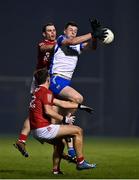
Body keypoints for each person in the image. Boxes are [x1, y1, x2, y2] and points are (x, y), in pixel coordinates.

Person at [49, 20, 107, 158]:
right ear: (64, 31)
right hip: (56, 79)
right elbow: (72, 42)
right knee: (78, 98)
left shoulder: (77, 45)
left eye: (75, 31)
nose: (73, 32)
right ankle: (66, 123)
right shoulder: (61, 39)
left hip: (64, 83)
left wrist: (95, 37)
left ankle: (66, 152)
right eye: (71, 30)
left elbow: (92, 47)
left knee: (56, 125)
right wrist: (92, 33)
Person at [29, 68, 96, 174]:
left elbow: (61, 103)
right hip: (43, 129)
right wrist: (65, 119)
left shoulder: (37, 91)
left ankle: (56, 170)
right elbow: (48, 111)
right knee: (78, 131)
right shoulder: (46, 92)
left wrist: (80, 106)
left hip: (35, 131)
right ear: (48, 79)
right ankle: (80, 162)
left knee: (60, 144)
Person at [14, 23, 57, 157]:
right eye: (49, 31)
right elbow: (47, 48)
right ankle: (54, 136)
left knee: (47, 108)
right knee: (38, 109)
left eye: (54, 30)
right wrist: (63, 43)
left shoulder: (60, 43)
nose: (52, 33)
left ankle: (22, 140)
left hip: (51, 79)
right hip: (40, 78)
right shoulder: (43, 44)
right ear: (44, 34)